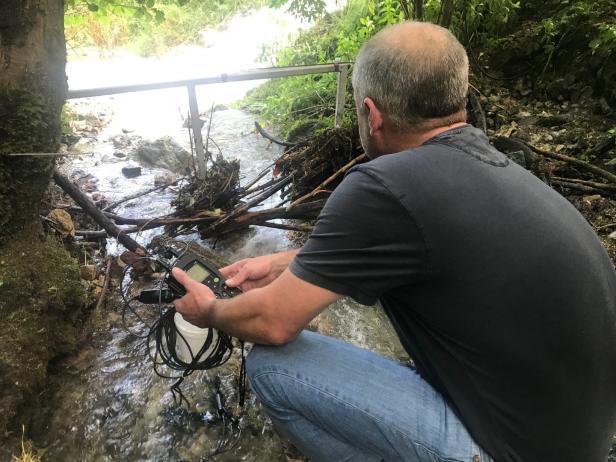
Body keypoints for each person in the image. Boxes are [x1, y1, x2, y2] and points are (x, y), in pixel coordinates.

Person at [172, 21, 616, 462]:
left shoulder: (382, 185)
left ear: (372, 113)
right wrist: (285, 264)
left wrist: (209, 310)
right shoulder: (495, 167)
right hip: (580, 439)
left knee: (273, 367)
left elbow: (273, 323)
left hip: (508, 452)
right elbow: (412, 245)